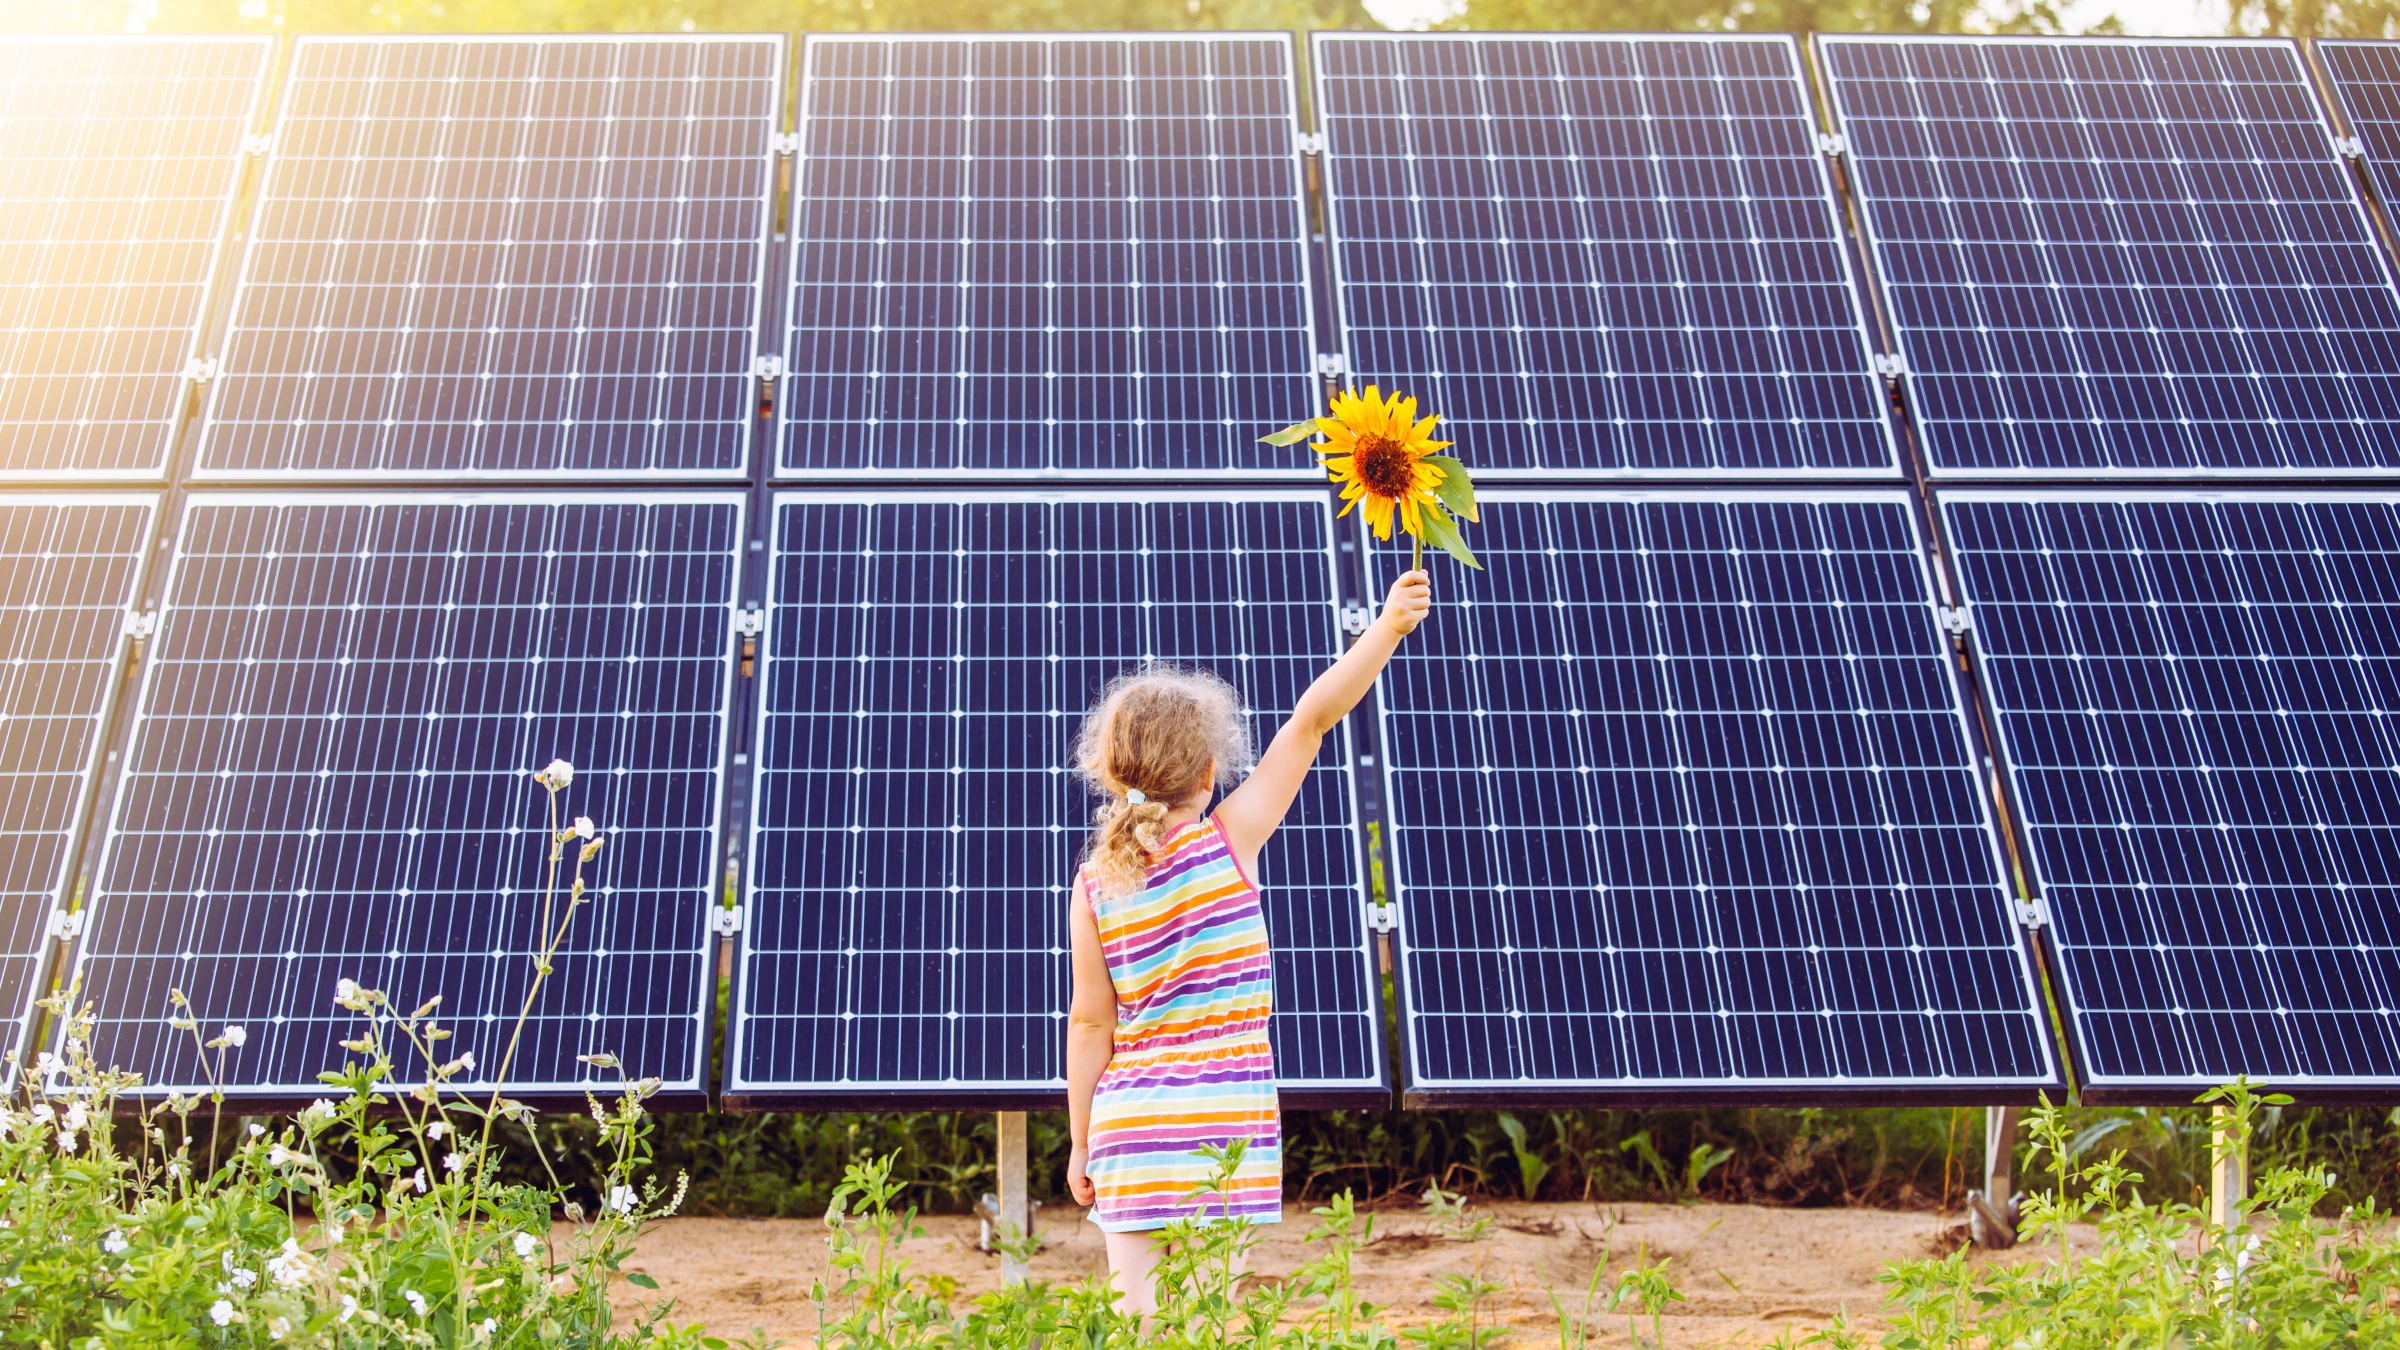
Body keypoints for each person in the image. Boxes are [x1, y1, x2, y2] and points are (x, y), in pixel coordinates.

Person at [1062, 567, 1434, 1315]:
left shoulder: (1094, 884)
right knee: (1205, 1323)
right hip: (1221, 1123)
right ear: (1208, 770)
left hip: (1128, 1127)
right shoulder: (1230, 841)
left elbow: (1090, 1023)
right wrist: (1387, 629)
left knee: (1139, 1326)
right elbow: (1310, 722)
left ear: (1113, 772)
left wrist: (1079, 1143)